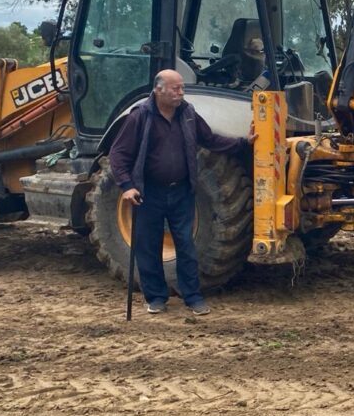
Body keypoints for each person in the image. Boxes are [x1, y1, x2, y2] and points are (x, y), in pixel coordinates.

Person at [109, 69, 254, 316]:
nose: (180, 93)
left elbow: (210, 140)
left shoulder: (188, 114)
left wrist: (243, 143)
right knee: (148, 246)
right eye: (175, 88)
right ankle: (156, 298)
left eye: (181, 88)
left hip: (182, 193)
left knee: (186, 246)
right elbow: (118, 154)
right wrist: (127, 186)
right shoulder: (140, 117)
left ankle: (193, 297)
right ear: (158, 90)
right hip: (149, 193)